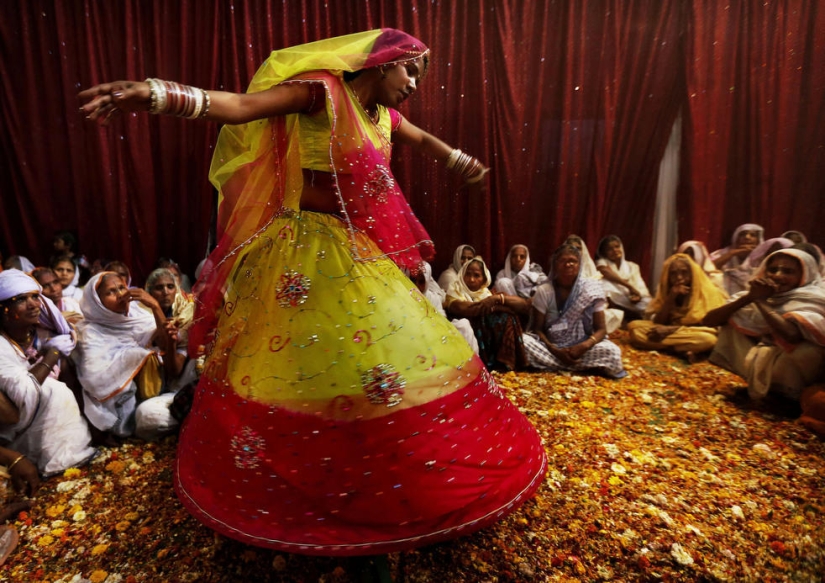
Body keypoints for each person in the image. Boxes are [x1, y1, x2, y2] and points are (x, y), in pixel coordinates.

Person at [79, 29, 546, 556]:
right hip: (302, 252)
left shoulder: (383, 119)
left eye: (420, 73)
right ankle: (307, 491)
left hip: (359, 255)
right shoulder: (321, 91)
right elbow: (239, 107)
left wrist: (458, 161)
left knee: (378, 374)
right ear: (380, 61)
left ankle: (382, 488)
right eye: (409, 69)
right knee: (306, 370)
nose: (413, 82)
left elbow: (419, 138)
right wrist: (154, 94)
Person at [0, 270, 97, 476]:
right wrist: (53, 353)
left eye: (35, 296)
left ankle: (69, 453)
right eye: (21, 299)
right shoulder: (2, 344)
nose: (34, 304)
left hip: (38, 415)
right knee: (54, 389)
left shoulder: (45, 332)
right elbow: (25, 392)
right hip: (11, 428)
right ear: (4, 308)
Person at [703, 249, 825, 402]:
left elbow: (791, 336)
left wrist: (760, 301)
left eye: (787, 271)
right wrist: (749, 298)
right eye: (772, 269)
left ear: (804, 276)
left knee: (806, 351)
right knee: (730, 322)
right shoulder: (756, 293)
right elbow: (708, 321)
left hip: (795, 363)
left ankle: (788, 397)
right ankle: (763, 388)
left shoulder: (814, 298)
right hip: (767, 357)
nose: (777, 275)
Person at [73, 272, 176, 441]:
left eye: (122, 287)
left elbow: (166, 344)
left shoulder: (139, 316)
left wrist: (155, 307)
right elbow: (94, 379)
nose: (121, 295)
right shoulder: (89, 331)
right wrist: (135, 356)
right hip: (119, 405)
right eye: (111, 292)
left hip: (158, 390)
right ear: (97, 302)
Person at [522, 244, 626, 378]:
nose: (568, 264)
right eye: (563, 261)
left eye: (573, 261)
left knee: (612, 351)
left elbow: (601, 329)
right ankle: (579, 365)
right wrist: (555, 350)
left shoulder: (591, 289)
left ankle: (555, 364)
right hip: (550, 347)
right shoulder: (545, 290)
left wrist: (584, 346)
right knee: (524, 343)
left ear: (579, 265)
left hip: (583, 346)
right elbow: (537, 329)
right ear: (555, 264)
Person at [627, 253, 728, 362]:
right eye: (673, 274)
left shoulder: (708, 292)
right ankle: (681, 349)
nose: (679, 278)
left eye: (684, 272)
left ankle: (670, 348)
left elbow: (710, 325)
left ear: (692, 273)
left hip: (694, 332)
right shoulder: (667, 290)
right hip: (676, 334)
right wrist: (671, 297)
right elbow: (659, 322)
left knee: (708, 340)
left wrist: (670, 329)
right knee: (634, 328)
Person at [445, 256, 530, 371]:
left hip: (485, 336)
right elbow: (466, 309)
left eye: (477, 275)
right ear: (461, 274)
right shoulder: (454, 290)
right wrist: (496, 306)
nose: (471, 279)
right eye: (468, 274)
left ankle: (502, 363)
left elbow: (524, 305)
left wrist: (498, 299)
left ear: (484, 279)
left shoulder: (486, 294)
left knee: (508, 317)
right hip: (463, 338)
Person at [405, 261, 479, 354]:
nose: (416, 285)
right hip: (413, 337)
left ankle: (472, 366)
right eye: (412, 280)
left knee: (464, 325)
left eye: (421, 282)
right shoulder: (403, 297)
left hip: (435, 334)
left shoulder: (433, 298)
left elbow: (442, 321)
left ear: (427, 281)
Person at [565, 235, 623, 333]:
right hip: (571, 305)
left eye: (578, 248)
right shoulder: (563, 265)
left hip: (591, 304)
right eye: (572, 248)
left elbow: (598, 289)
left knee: (615, 314)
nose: (575, 251)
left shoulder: (589, 266)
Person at [595, 235, 651, 321]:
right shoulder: (602, 262)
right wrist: (629, 286)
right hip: (615, 298)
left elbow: (640, 284)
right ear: (604, 253)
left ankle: (633, 314)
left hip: (631, 298)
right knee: (604, 283)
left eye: (617, 247)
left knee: (649, 304)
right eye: (609, 249)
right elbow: (605, 272)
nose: (614, 250)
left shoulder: (633, 266)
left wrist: (637, 295)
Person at [710, 223, 764, 295]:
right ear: (736, 237)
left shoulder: (763, 256)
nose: (747, 237)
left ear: (758, 240)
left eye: (752, 235)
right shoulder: (722, 253)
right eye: (742, 234)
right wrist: (732, 253)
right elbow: (709, 269)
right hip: (723, 295)